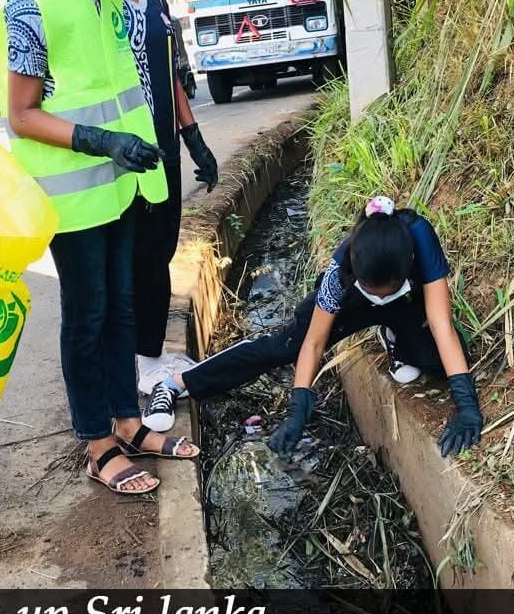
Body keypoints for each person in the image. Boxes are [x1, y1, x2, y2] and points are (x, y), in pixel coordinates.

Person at [0, 0, 199, 497]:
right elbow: (21, 114)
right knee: (88, 315)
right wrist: (100, 140)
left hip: (119, 182)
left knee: (122, 305)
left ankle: (128, 420)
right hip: (71, 193)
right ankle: (98, 442)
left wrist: (145, 146)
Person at [148, 195, 484, 458]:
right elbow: (313, 343)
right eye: (374, 291)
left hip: (407, 306)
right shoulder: (340, 271)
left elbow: (441, 324)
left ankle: (393, 334)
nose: (380, 296)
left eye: (387, 291)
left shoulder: (419, 237)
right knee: (284, 347)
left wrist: (466, 405)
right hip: (354, 307)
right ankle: (176, 382)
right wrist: (298, 409)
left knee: (437, 360)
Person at [121, 0, 218, 397]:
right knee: (140, 260)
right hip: (130, 155)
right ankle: (141, 363)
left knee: (161, 251)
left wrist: (194, 140)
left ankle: (153, 354)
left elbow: (170, 75)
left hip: (166, 150)